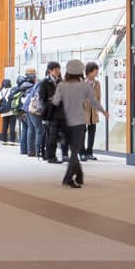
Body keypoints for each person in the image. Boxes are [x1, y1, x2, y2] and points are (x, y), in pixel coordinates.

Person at [50, 58, 104, 188]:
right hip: (79, 121)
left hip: (65, 122)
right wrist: (103, 111)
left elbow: (55, 102)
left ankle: (79, 175)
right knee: (74, 151)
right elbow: (94, 100)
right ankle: (68, 178)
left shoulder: (61, 85)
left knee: (74, 150)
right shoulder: (84, 85)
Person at [35, 62, 64, 163]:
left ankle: (51, 155)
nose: (57, 71)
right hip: (50, 112)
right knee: (51, 135)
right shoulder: (44, 82)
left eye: (58, 69)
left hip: (60, 111)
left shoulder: (61, 81)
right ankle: (50, 156)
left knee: (56, 135)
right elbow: (42, 98)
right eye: (55, 69)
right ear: (50, 71)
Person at [14, 69, 39, 156]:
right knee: (31, 129)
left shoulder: (21, 85)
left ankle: (23, 149)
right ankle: (30, 150)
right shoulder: (31, 86)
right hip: (27, 109)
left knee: (25, 129)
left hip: (21, 111)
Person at [82, 62, 103, 160]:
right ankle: (82, 153)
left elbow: (98, 97)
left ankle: (89, 152)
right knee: (82, 132)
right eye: (95, 71)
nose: (96, 73)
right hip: (82, 111)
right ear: (89, 72)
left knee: (92, 131)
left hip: (93, 111)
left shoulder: (97, 83)